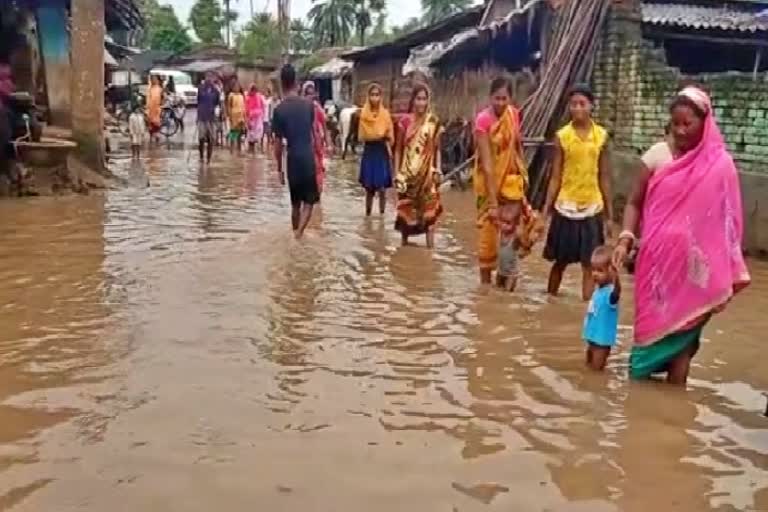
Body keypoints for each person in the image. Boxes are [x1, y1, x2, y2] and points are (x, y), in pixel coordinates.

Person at [613, 86, 750, 385]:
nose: (680, 130)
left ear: (705, 122)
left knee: (683, 349)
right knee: (643, 347)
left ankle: (674, 413)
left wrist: (722, 267)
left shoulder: (719, 165)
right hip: (655, 266)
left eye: (687, 123)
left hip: (692, 271)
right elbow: (634, 203)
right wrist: (625, 237)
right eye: (675, 123)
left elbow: (728, 222)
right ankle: (638, 407)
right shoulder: (656, 156)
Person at [543, 84, 613, 301]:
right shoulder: (562, 136)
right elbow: (555, 176)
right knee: (560, 262)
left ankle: (587, 309)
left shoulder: (601, 137)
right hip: (565, 206)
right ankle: (550, 301)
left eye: (582, 104)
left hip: (592, 206)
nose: (577, 108)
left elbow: (604, 176)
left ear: (591, 106)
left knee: (589, 264)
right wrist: (545, 211)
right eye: (573, 104)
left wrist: (609, 216)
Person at [473, 76, 536, 287]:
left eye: (504, 98)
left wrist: (522, 178)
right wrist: (492, 202)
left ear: (510, 98)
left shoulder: (513, 115)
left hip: (511, 186)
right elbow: (488, 164)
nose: (500, 103)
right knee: (487, 239)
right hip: (487, 186)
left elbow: (516, 148)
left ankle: (503, 285)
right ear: (490, 97)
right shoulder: (483, 121)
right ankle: (485, 291)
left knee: (510, 236)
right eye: (497, 98)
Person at [272, 64, 319, 239]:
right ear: (296, 81)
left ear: (281, 83)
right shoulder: (309, 106)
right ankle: (299, 234)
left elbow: (277, 146)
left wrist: (279, 169)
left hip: (292, 160)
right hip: (307, 158)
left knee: (295, 205)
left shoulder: (278, 110)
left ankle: (294, 234)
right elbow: (312, 135)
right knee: (309, 203)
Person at [393, 84, 443, 248]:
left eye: (424, 99)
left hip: (427, 177)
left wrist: (438, 169)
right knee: (405, 220)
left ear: (428, 101)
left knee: (429, 219)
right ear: (413, 101)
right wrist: (397, 174)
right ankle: (404, 251)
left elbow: (437, 150)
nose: (421, 103)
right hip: (407, 177)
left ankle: (430, 253)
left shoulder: (433, 122)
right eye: (418, 98)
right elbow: (398, 150)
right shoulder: (404, 122)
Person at [358, 83, 394, 216]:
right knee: (369, 188)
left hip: (381, 150)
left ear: (381, 96)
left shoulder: (385, 114)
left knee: (382, 187)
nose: (375, 98)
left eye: (377, 95)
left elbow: (389, 134)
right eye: (372, 95)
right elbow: (363, 135)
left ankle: (382, 216)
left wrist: (389, 149)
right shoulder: (364, 114)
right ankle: (368, 215)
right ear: (369, 96)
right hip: (369, 151)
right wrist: (377, 134)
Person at [583, 246, 621, 371]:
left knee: (596, 370)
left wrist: (617, 278)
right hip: (592, 338)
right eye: (593, 270)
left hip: (602, 342)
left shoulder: (610, 293)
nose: (595, 274)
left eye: (600, 270)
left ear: (611, 271)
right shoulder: (598, 291)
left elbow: (617, 293)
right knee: (588, 366)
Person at [302, 81, 327, 194]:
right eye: (307, 94)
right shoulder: (300, 108)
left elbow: (324, 124)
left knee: (319, 168)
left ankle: (317, 196)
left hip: (316, 142)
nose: (310, 96)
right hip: (304, 142)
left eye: (311, 94)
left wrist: (328, 141)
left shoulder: (317, 108)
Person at [196, 72, 220, 164]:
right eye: (208, 77)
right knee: (201, 138)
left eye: (211, 77)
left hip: (211, 117)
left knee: (211, 138)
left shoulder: (215, 90)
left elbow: (217, 103)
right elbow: (198, 101)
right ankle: (201, 157)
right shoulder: (201, 88)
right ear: (205, 78)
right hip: (202, 116)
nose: (209, 79)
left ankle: (209, 159)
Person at [245, 83, 265, 154]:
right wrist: (248, 121)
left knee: (256, 138)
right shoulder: (247, 98)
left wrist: (262, 117)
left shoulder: (259, 97)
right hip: (251, 119)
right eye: (252, 90)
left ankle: (252, 154)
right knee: (250, 138)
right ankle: (250, 152)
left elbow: (263, 107)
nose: (253, 92)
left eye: (254, 90)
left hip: (258, 119)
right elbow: (246, 110)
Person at [227, 82, 246, 153]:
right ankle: (231, 148)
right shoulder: (231, 95)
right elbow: (229, 106)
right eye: (235, 87)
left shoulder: (241, 96)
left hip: (240, 117)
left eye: (238, 87)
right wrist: (229, 116)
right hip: (233, 116)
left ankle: (239, 148)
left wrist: (244, 117)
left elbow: (244, 107)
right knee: (233, 133)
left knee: (240, 133)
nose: (236, 88)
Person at [146, 75, 164, 144]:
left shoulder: (160, 89)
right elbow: (148, 98)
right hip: (150, 108)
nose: (154, 80)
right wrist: (147, 107)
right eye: (153, 79)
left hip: (157, 108)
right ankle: (151, 136)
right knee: (150, 122)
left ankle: (156, 136)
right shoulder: (150, 88)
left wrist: (161, 104)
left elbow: (163, 97)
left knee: (156, 123)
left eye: (155, 79)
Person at [263, 87, 275, 153]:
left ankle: (268, 148)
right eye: (265, 92)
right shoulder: (262, 99)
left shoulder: (270, 100)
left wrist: (270, 118)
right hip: (262, 118)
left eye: (267, 92)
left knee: (268, 134)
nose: (266, 93)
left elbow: (271, 109)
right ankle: (262, 146)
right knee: (262, 134)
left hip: (268, 118)